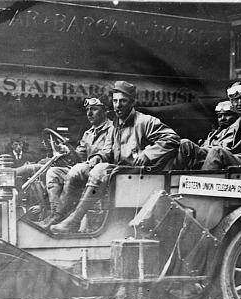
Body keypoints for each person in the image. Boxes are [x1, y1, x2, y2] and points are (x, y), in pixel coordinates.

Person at [50, 81, 180, 234]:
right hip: (120, 172)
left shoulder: (144, 121)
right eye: (115, 101)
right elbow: (108, 151)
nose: (118, 105)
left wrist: (147, 154)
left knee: (100, 170)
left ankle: (74, 220)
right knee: (78, 169)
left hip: (138, 173)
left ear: (132, 102)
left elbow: (172, 139)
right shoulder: (116, 125)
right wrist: (99, 156)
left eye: (123, 101)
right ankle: (58, 217)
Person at [39, 97, 113, 228]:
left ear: (105, 111)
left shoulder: (112, 129)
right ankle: (55, 214)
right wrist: (64, 150)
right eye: (88, 110)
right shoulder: (88, 133)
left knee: (76, 170)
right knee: (53, 173)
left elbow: (109, 150)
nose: (89, 113)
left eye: (94, 109)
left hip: (103, 173)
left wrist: (98, 156)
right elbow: (78, 155)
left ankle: (60, 216)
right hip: (85, 171)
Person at [178, 101, 238, 169]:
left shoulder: (236, 129)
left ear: (236, 116)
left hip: (220, 157)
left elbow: (227, 150)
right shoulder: (215, 133)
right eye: (219, 116)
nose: (222, 118)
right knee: (183, 144)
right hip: (207, 156)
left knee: (186, 144)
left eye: (227, 115)